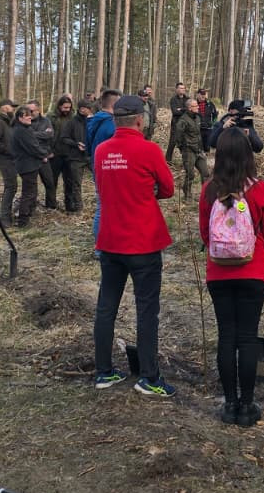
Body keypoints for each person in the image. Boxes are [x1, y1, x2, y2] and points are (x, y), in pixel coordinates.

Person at [92, 96, 177, 397]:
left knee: (106, 307)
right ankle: (149, 377)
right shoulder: (148, 149)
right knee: (146, 310)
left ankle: (104, 371)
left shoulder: (102, 151)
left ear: (115, 120)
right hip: (143, 242)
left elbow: (103, 186)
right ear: (140, 120)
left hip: (110, 241)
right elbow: (167, 187)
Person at [199, 127, 264, 425]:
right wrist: (254, 253)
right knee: (247, 338)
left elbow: (205, 234)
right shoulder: (259, 189)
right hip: (252, 271)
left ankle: (229, 404)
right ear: (248, 154)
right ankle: (247, 405)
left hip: (218, 272)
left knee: (226, 336)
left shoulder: (209, 190)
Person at [85, 90, 120, 248]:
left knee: (104, 206)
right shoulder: (110, 124)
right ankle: (101, 247)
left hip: (98, 166)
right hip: (108, 169)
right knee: (104, 208)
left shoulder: (95, 120)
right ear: (114, 104)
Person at [11, 102, 50, 227]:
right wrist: (44, 154)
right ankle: (23, 220)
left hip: (27, 164)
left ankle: (28, 214)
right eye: (27, 116)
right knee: (28, 192)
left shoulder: (22, 129)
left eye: (30, 115)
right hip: (27, 166)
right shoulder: (22, 131)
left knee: (31, 191)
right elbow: (33, 147)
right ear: (20, 118)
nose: (30, 117)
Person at [47, 95, 85, 213]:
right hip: (55, 153)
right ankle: (51, 205)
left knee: (69, 181)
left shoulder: (73, 118)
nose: (67, 110)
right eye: (65, 107)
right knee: (52, 180)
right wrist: (49, 151)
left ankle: (69, 205)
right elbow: (47, 137)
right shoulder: (51, 117)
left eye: (69, 107)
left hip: (69, 154)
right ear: (59, 106)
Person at [173, 97, 210, 200]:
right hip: (188, 151)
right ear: (189, 108)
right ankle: (187, 196)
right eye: (195, 106)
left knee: (205, 173)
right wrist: (182, 148)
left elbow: (199, 134)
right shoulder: (183, 120)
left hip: (199, 149)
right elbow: (178, 136)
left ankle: (205, 196)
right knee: (190, 174)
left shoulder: (197, 118)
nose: (198, 107)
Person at [0, 99, 19, 222]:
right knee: (10, 186)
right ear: (5, 108)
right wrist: (9, 151)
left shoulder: (11, 123)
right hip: (5, 159)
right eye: (12, 107)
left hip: (13, 159)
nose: (14, 110)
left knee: (13, 186)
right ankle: (5, 218)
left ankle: (7, 215)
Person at [165, 82, 190, 163]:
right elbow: (175, 112)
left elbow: (190, 110)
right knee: (172, 142)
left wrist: (181, 109)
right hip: (176, 124)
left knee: (185, 143)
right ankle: (168, 160)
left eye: (183, 88)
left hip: (186, 124)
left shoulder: (187, 99)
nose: (182, 90)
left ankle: (186, 160)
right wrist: (184, 110)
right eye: (180, 88)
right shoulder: (173, 99)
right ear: (176, 89)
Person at [194, 88, 219, 153]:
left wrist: (213, 123)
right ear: (197, 95)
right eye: (201, 94)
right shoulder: (193, 104)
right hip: (198, 129)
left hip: (208, 129)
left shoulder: (210, 104)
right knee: (198, 147)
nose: (203, 96)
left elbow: (215, 115)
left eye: (204, 94)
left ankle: (206, 161)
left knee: (207, 147)